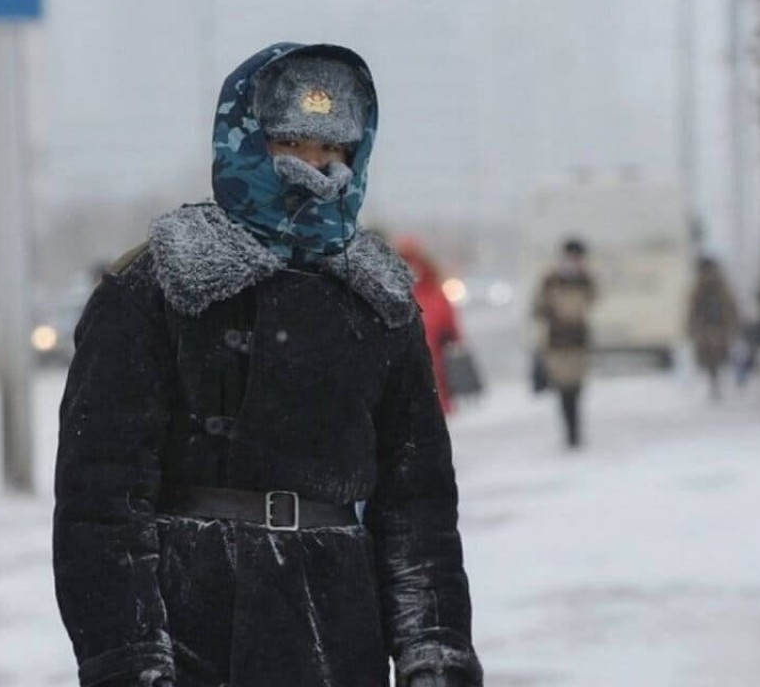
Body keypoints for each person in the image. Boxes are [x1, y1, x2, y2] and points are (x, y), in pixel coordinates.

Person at [53, 42, 483, 687]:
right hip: (194, 624)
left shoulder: (379, 300)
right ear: (246, 143)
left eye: (333, 152)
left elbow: (416, 507)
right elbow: (101, 503)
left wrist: (434, 651)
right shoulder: (158, 286)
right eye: (293, 148)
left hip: (337, 628)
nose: (316, 170)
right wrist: (129, 658)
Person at [532, 239, 596, 448]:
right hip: (558, 344)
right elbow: (537, 309)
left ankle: (575, 431)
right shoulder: (551, 280)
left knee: (576, 388)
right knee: (564, 389)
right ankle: (571, 433)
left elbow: (592, 300)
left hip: (578, 343)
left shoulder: (585, 280)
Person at [394, 237, 462, 414]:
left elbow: (449, 326)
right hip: (422, 368)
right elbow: (451, 327)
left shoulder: (428, 290)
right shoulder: (430, 289)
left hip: (423, 367)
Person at [687, 256, 741, 401]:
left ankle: (715, 382)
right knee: (716, 356)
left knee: (713, 357)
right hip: (715, 327)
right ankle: (717, 382)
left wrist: (692, 328)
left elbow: (693, 310)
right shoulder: (721, 286)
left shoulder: (702, 287)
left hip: (711, 327)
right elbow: (731, 308)